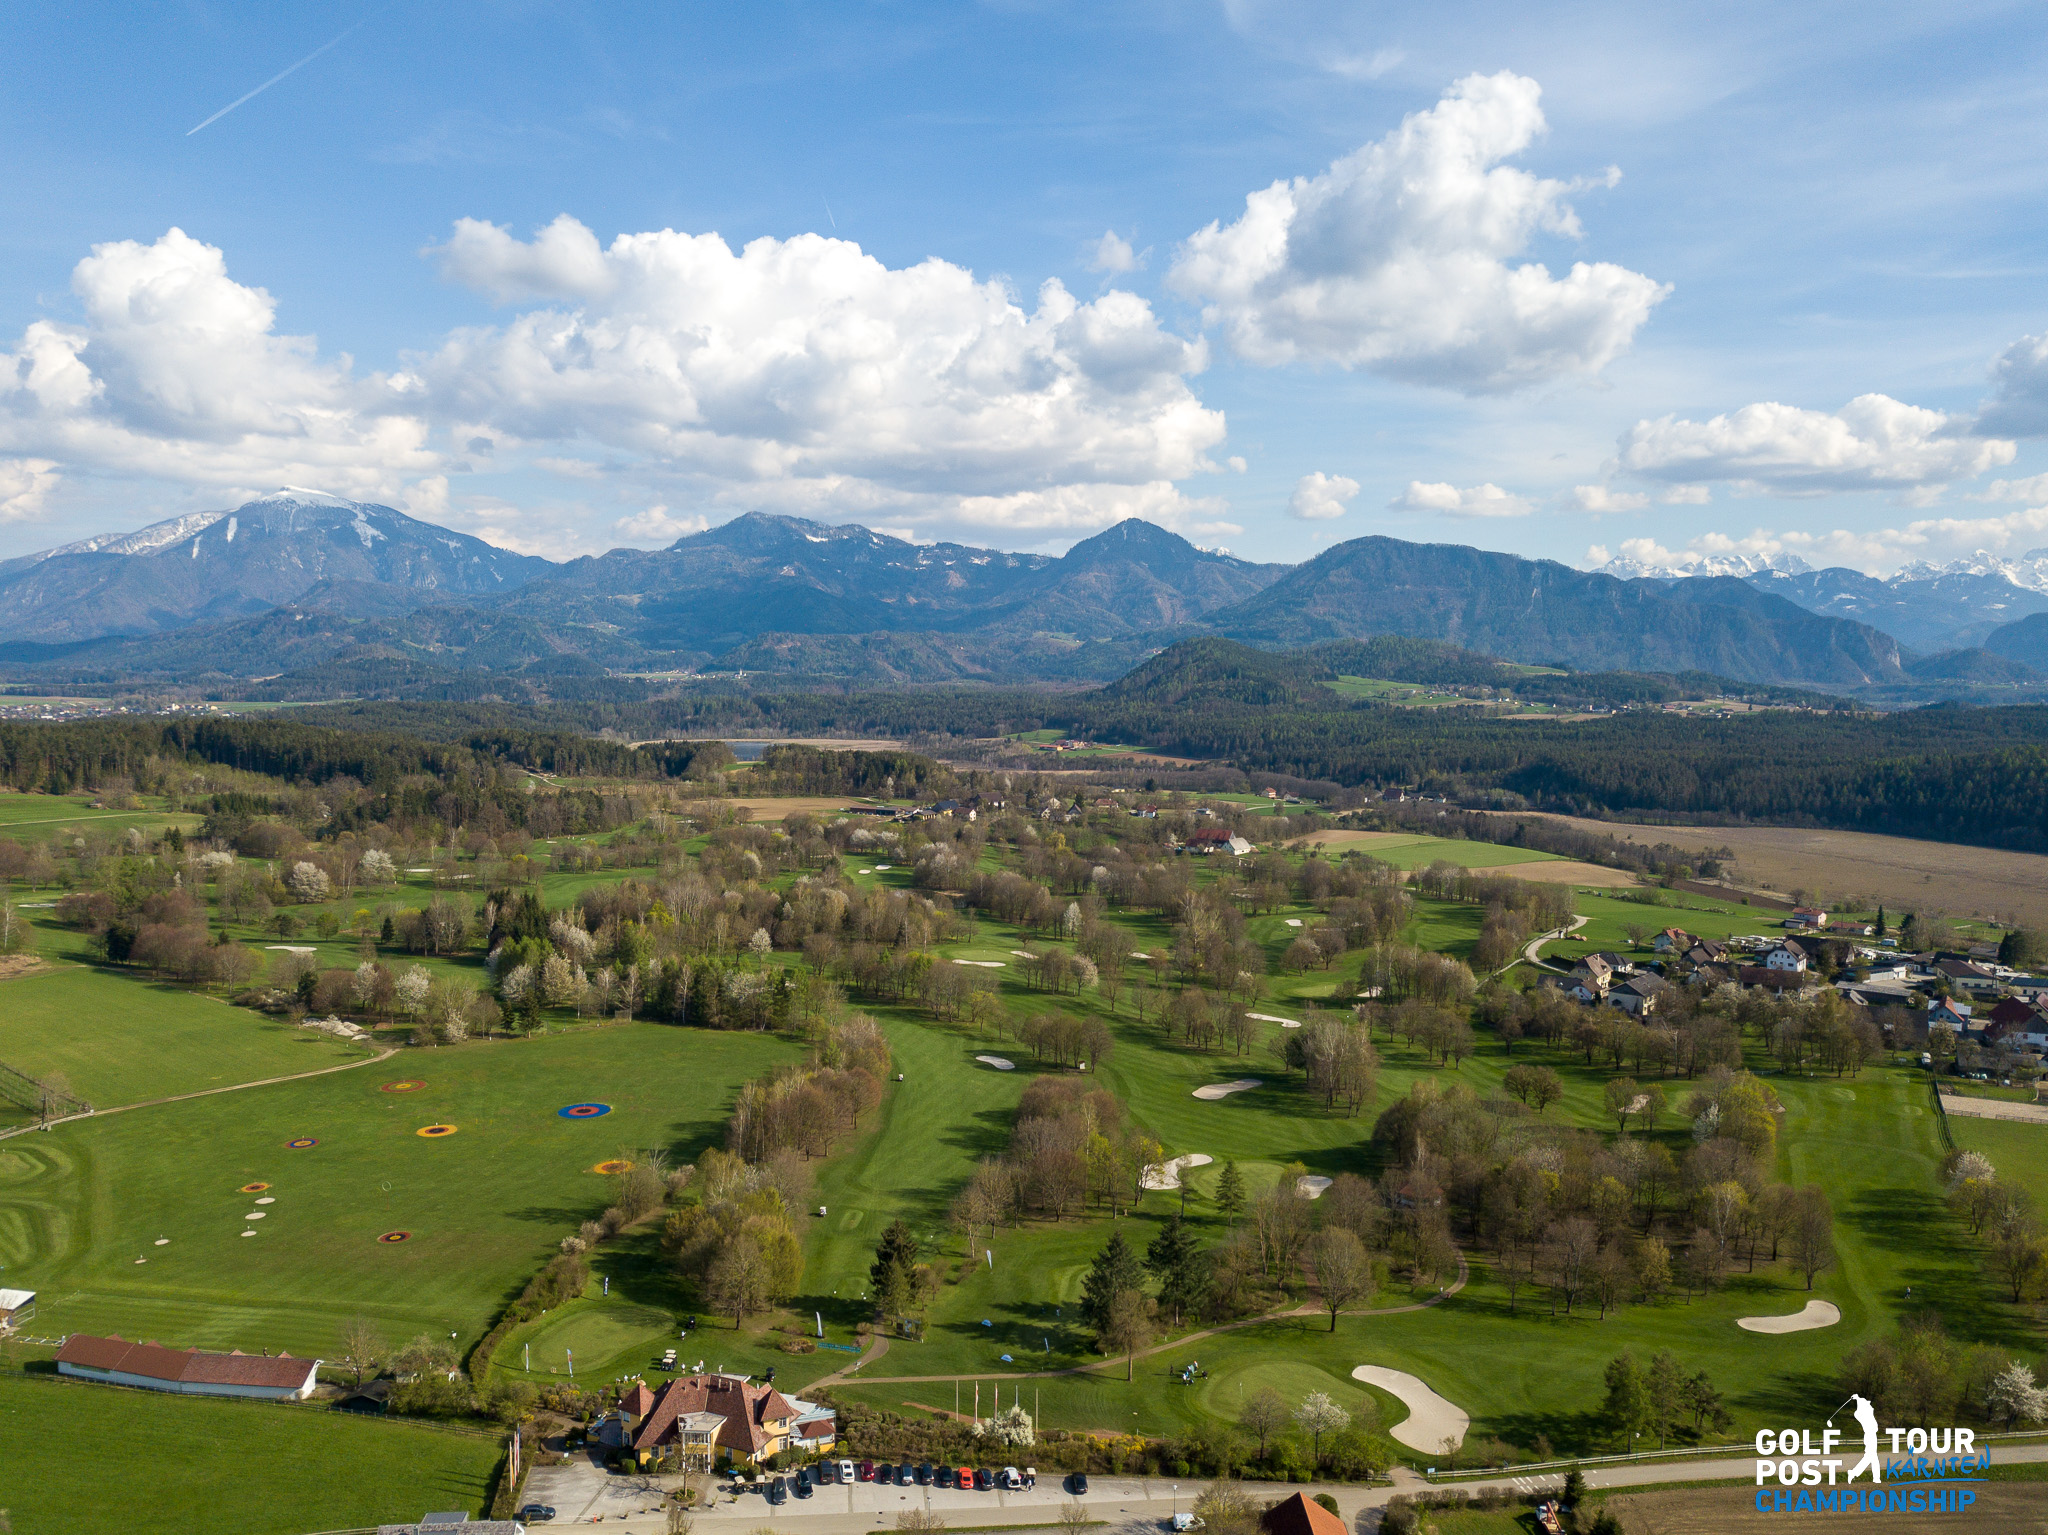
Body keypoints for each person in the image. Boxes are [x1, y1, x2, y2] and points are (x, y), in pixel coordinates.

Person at [1846, 1395, 1882, 1484]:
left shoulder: (1867, 1411)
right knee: (1871, 1456)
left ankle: (1875, 1478)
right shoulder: (1861, 1414)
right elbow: (1863, 1407)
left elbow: (1869, 1407)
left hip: (1872, 1435)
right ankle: (1854, 1472)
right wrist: (1858, 1399)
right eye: (1867, 1404)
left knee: (1872, 1457)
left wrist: (1857, 1398)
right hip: (1870, 1436)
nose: (1870, 1406)